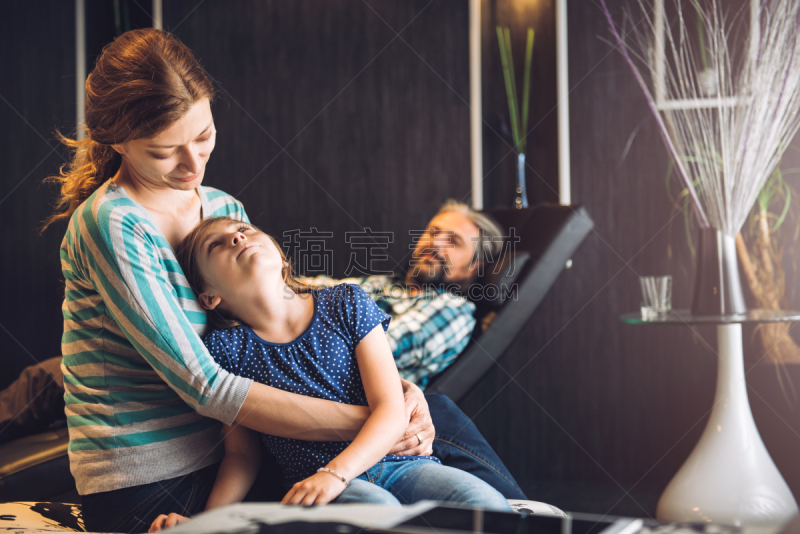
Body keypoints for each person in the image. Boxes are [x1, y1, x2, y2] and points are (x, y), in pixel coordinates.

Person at [43, 28, 524, 534]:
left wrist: (397, 393)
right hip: (161, 484)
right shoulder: (113, 223)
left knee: (432, 408)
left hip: (248, 446)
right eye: (165, 152)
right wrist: (381, 418)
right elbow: (204, 387)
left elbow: (285, 320)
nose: (192, 165)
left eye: (203, 136)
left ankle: (527, 520)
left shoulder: (223, 208)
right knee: (410, 434)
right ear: (115, 140)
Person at [148, 217, 510, 530]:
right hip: (320, 480)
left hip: (400, 464)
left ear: (281, 255)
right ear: (209, 296)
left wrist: (335, 472)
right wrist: (207, 524)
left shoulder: (346, 302)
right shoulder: (227, 350)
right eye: (217, 245)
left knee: (484, 502)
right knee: (378, 512)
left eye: (243, 229)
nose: (238, 238)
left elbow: (389, 406)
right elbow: (242, 456)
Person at [303, 201, 506, 387]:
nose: (435, 243)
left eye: (453, 241)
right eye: (433, 233)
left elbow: (376, 349)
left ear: (473, 267)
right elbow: (315, 287)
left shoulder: (453, 309)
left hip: (329, 389)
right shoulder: (385, 283)